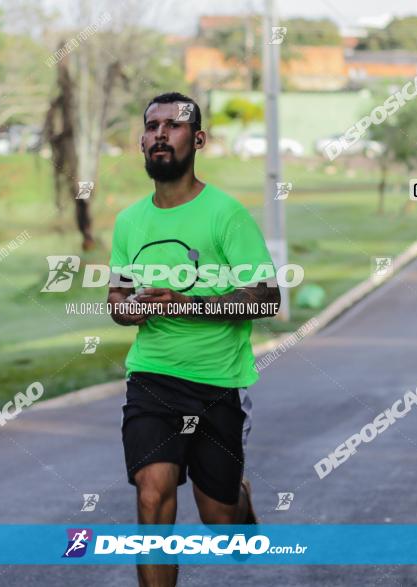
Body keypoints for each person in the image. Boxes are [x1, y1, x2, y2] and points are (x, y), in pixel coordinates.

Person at [108, 92, 280, 586]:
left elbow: (267, 296)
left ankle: (240, 504)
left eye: (174, 125)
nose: (160, 134)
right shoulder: (129, 221)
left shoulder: (225, 214)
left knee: (218, 517)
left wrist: (189, 304)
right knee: (152, 495)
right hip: (152, 378)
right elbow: (116, 298)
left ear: (198, 138)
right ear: (142, 141)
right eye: (152, 126)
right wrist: (130, 309)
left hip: (216, 384)